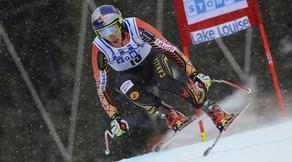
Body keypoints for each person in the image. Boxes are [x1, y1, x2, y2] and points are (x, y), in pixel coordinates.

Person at [90, 5, 233, 137]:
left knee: (165, 83)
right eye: (103, 32)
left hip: (151, 60)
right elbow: (102, 88)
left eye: (112, 29)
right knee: (126, 88)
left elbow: (170, 49)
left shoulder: (135, 27)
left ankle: (212, 109)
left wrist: (194, 74)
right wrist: (114, 117)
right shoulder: (99, 49)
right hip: (129, 73)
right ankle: (169, 114)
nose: (110, 36)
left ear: (120, 23)